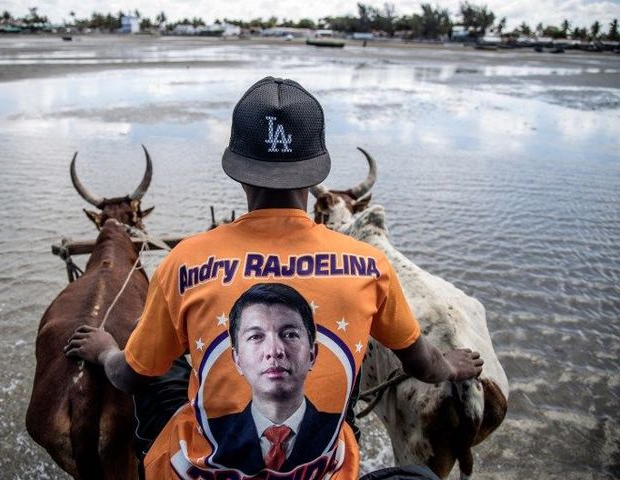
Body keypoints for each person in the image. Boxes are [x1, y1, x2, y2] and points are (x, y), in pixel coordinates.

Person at [65, 76, 483, 480]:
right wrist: (450, 366)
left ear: (238, 171)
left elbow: (129, 376)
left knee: (166, 360)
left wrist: (104, 351)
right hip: (331, 471)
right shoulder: (370, 264)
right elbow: (423, 364)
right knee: (347, 400)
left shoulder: (183, 260)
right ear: (315, 173)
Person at [208, 283, 340, 474]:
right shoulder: (211, 434)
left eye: (290, 334)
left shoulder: (336, 431)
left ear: (312, 354)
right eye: (256, 337)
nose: (274, 351)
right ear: (237, 359)